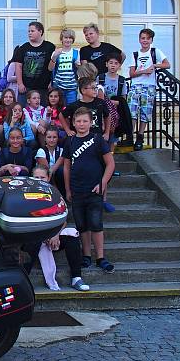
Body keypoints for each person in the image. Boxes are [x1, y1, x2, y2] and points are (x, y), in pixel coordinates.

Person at [58, 107, 116, 273]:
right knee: (82, 225)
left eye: (85, 121)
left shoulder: (98, 140)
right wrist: (68, 189)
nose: (81, 124)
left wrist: (103, 183)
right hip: (77, 190)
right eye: (78, 121)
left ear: (91, 123)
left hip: (94, 190)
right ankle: (86, 256)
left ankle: (100, 258)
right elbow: (67, 167)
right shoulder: (69, 141)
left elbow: (110, 164)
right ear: (73, 124)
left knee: (96, 224)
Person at [30, 165, 90, 292]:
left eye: (43, 177)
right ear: (31, 178)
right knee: (31, 242)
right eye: (36, 177)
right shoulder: (25, 194)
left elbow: (63, 218)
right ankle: (26, 280)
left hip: (53, 235)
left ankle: (76, 277)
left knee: (72, 236)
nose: (40, 180)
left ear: (48, 178)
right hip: (33, 235)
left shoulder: (55, 194)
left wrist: (55, 234)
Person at [126, 28, 170, 151]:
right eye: (142, 38)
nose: (145, 40)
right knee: (132, 112)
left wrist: (155, 65)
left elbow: (167, 64)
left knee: (145, 112)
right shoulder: (135, 54)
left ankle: (140, 137)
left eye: (147, 38)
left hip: (149, 86)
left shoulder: (155, 52)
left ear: (151, 40)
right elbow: (132, 73)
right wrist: (144, 71)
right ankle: (130, 136)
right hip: (136, 85)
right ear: (139, 39)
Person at [10, 21, 56, 106]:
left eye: (32, 31)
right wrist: (20, 84)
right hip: (26, 87)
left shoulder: (50, 47)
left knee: (43, 113)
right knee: (23, 112)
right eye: (29, 31)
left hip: (44, 88)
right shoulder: (23, 48)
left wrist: (52, 82)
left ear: (40, 32)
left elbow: (54, 65)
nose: (29, 33)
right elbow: (18, 66)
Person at [98, 54, 133, 145]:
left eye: (116, 63)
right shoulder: (101, 78)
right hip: (103, 111)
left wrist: (112, 102)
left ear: (119, 66)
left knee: (113, 136)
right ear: (106, 64)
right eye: (111, 63)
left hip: (115, 112)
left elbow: (123, 99)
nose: (113, 65)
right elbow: (96, 95)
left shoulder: (121, 80)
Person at [48, 28, 81, 105]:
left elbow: (79, 70)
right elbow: (50, 69)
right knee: (59, 109)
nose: (68, 40)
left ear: (73, 40)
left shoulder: (76, 52)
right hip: (58, 87)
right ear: (61, 39)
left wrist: (77, 66)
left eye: (70, 38)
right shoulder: (56, 52)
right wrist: (54, 57)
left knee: (71, 109)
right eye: (66, 37)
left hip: (72, 87)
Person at [35, 125, 65, 197]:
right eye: (49, 137)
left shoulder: (61, 151)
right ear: (45, 138)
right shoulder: (41, 151)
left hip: (57, 178)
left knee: (61, 170)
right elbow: (48, 173)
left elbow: (54, 170)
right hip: (45, 178)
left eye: (54, 137)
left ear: (58, 138)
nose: (52, 140)